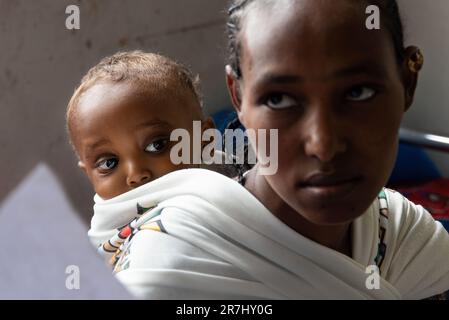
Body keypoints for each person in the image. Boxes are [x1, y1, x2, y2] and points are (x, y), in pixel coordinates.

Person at [95, 1, 449, 299]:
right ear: (238, 97)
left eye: (359, 92)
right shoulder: (169, 271)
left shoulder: (405, 238)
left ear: (407, 83)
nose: (323, 144)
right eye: (279, 99)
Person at [65, 50, 229, 264]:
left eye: (157, 145)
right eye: (109, 163)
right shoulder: (104, 237)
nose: (136, 174)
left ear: (204, 139)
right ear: (89, 174)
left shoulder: (235, 194)